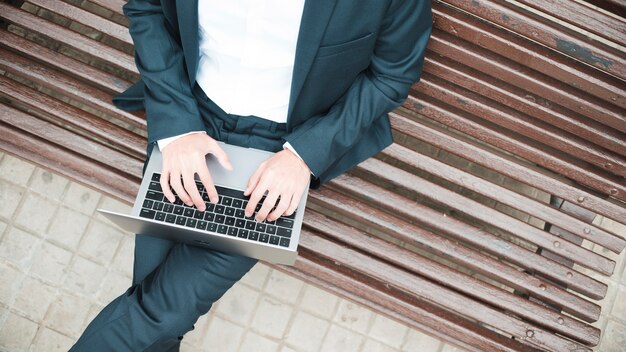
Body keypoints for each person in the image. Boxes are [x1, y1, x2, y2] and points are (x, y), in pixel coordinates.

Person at [70, 0, 432, 350]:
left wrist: (304, 156)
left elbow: (392, 73)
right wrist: (178, 129)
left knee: (160, 312)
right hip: (191, 114)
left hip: (282, 146)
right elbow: (147, 7)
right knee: (158, 307)